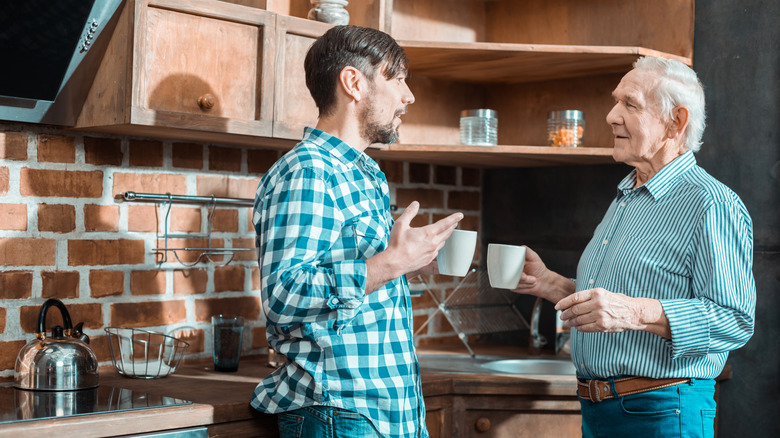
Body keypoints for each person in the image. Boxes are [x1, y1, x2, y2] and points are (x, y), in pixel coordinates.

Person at [513, 56, 755, 438]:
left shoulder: (711, 203)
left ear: (676, 121)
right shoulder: (628, 196)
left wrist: (636, 313)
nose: (610, 115)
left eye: (630, 104)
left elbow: (734, 319)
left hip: (661, 411)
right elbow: (616, 303)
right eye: (615, 101)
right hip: (599, 411)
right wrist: (552, 284)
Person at [251, 25, 463, 438]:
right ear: (353, 83)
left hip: (386, 410)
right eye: (397, 79)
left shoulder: (363, 174)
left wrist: (407, 264)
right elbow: (283, 295)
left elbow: (355, 282)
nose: (409, 96)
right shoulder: (307, 171)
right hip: (340, 411)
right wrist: (389, 263)